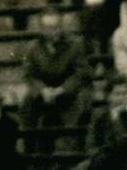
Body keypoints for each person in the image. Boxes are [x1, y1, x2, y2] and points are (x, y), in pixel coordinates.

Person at [20, 9, 88, 147]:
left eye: (56, 27)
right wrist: (42, 90)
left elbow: (81, 72)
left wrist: (62, 89)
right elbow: (29, 74)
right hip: (43, 93)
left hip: (68, 92)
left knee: (80, 102)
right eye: (48, 28)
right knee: (26, 105)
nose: (53, 32)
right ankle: (31, 150)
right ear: (42, 29)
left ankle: (72, 146)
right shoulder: (33, 48)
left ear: (61, 27)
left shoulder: (75, 45)